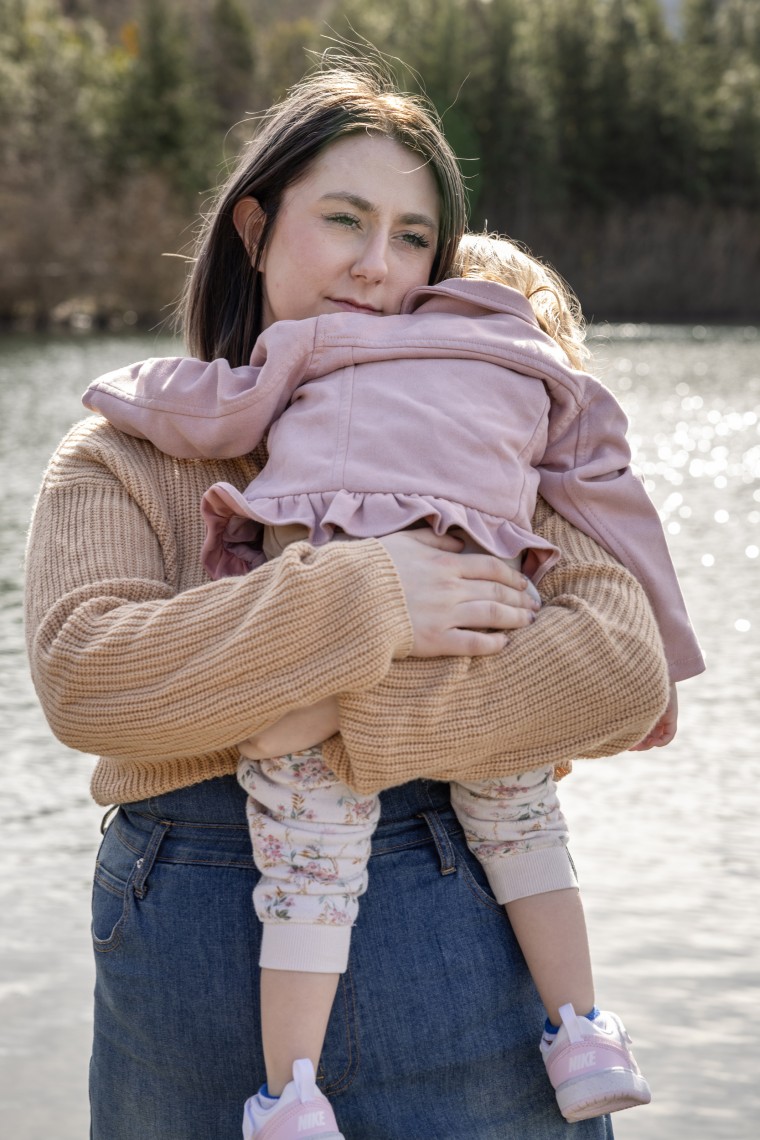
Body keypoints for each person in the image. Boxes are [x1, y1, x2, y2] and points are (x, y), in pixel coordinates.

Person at [25, 59, 675, 1140]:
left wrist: (309, 717)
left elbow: (616, 669)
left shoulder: (476, 435)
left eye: (413, 236)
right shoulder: (126, 449)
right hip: (192, 940)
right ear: (254, 227)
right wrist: (368, 597)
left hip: (461, 915)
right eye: (344, 220)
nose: (378, 266)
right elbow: (93, 683)